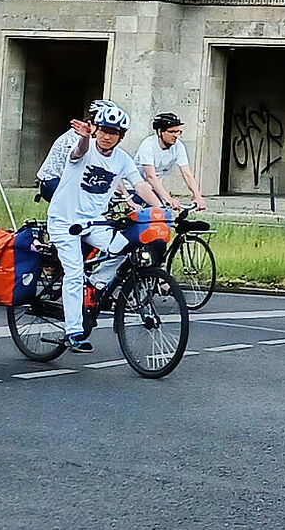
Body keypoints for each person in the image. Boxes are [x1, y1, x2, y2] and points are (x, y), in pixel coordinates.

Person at [46, 105, 161, 353]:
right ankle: (73, 332)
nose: (108, 136)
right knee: (74, 273)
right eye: (104, 130)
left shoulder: (122, 159)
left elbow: (140, 185)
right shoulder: (84, 148)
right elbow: (78, 151)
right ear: (96, 130)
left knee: (124, 247)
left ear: (121, 136)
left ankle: (97, 282)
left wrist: (161, 209)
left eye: (114, 132)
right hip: (64, 222)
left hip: (94, 222)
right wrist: (84, 137)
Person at [35, 99, 117, 202]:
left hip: (66, 181)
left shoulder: (93, 136)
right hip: (52, 181)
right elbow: (84, 160)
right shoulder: (78, 134)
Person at [132, 112, 207, 211]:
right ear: (159, 132)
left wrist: (197, 196)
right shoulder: (148, 145)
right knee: (157, 213)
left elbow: (187, 174)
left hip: (153, 187)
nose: (176, 135)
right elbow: (150, 176)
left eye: (178, 132)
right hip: (134, 186)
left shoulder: (178, 146)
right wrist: (168, 199)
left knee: (163, 214)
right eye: (171, 132)